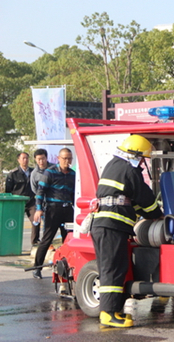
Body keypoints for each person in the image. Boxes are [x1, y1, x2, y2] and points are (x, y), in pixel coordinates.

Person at [92, 135, 162, 328]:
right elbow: (145, 198)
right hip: (111, 227)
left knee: (114, 268)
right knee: (112, 270)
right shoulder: (129, 170)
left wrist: (147, 213)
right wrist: (158, 214)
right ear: (135, 154)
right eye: (141, 158)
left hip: (106, 226)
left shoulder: (113, 165)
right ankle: (108, 314)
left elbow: (128, 199)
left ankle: (113, 311)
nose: (142, 162)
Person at [32, 148, 75, 279]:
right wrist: (39, 209)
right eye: (64, 158)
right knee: (47, 239)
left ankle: (68, 268)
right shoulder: (49, 172)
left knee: (69, 239)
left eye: (69, 158)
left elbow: (75, 194)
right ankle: (37, 268)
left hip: (68, 209)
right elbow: (40, 192)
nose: (67, 161)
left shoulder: (73, 174)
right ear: (58, 158)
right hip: (53, 210)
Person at [5, 152, 39, 247]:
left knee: (36, 220)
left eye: (27, 158)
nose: (25, 160)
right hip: (17, 202)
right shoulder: (13, 174)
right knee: (12, 223)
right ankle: (10, 242)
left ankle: (35, 241)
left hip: (30, 201)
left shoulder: (34, 172)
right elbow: (8, 190)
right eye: (23, 158)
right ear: (18, 160)